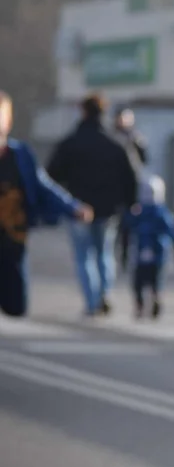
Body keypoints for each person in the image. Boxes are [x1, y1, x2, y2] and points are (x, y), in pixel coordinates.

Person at [0, 91, 92, 317]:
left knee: (16, 307)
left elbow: (43, 186)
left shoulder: (20, 155)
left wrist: (73, 207)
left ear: (8, 121)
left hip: (12, 240)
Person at [47, 92, 138, 317]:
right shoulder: (116, 144)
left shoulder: (71, 143)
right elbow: (131, 176)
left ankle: (91, 302)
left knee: (83, 256)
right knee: (104, 253)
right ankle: (104, 294)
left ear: (83, 111)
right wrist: (130, 203)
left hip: (78, 209)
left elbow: (51, 175)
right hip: (109, 209)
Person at [123, 175, 174, 319]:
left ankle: (144, 304)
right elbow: (173, 232)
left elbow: (172, 232)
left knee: (142, 282)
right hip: (155, 254)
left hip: (147, 254)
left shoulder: (146, 213)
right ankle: (147, 301)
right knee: (151, 282)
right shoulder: (159, 213)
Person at [113, 105, 148, 275]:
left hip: (130, 190)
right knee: (115, 228)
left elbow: (144, 159)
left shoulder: (134, 138)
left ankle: (127, 258)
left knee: (128, 228)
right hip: (114, 190)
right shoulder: (112, 137)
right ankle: (116, 256)